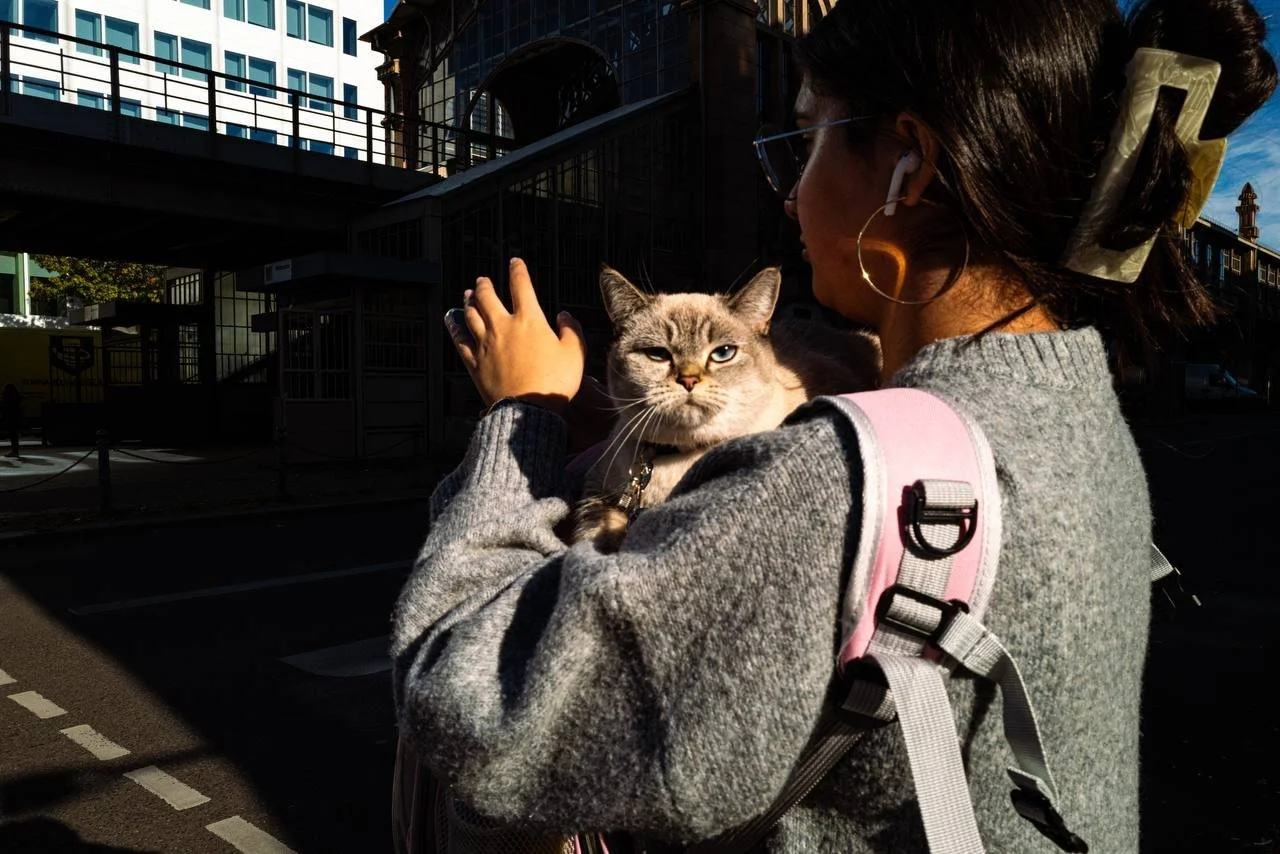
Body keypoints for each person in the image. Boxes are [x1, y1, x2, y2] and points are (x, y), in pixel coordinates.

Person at [392, 0, 1276, 850]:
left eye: (801, 143)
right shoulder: (1075, 409)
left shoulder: (835, 485)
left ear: (909, 166)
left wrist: (524, 419)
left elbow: (476, 720)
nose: (786, 196)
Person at [2, 384, 22, 459]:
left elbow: (5, 408)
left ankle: (14, 451)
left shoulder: (8, 399)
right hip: (15, 419)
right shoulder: (16, 399)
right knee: (14, 435)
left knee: (13, 435)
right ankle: (15, 451)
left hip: (11, 419)